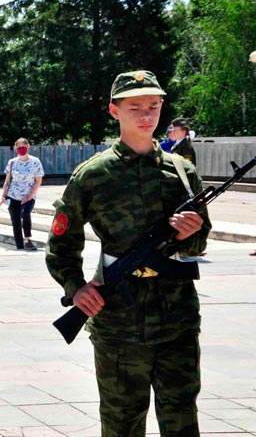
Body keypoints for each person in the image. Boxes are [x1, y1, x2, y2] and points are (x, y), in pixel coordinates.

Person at [45, 70, 211, 437]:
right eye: (135, 107)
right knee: (122, 422)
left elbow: (199, 244)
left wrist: (191, 233)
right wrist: (76, 287)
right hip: (118, 320)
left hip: (177, 319)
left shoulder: (182, 173)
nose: (146, 115)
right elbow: (61, 245)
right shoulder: (93, 175)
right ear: (114, 111)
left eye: (154, 106)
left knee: (182, 417)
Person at [0, 138, 44, 250]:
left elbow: (38, 180)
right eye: (19, 147)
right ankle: (19, 246)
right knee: (16, 222)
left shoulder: (35, 161)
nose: (21, 149)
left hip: (28, 195)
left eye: (23, 147)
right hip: (13, 195)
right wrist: (3, 195)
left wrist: (29, 196)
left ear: (28, 147)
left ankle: (28, 239)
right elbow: (7, 180)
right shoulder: (12, 162)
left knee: (25, 213)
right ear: (15, 148)